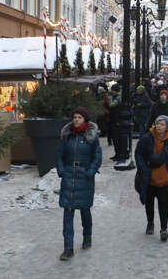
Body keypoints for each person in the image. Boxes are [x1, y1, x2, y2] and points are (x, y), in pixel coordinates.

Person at [56, 107, 102, 261]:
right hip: (69, 176)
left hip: (84, 177)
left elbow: (97, 156)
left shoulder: (91, 137)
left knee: (84, 209)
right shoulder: (66, 136)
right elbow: (59, 154)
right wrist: (61, 170)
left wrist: (90, 172)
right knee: (67, 212)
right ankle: (68, 248)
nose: (76, 120)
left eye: (79, 117)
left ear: (85, 120)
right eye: (74, 117)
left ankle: (87, 235)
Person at [134, 115, 168, 242]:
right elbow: (138, 154)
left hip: (165, 180)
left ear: (167, 127)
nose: (159, 126)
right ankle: (150, 223)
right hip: (149, 179)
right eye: (157, 124)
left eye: (162, 124)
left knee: (163, 205)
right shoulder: (146, 138)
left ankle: (164, 229)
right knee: (149, 204)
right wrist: (142, 167)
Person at [108, 84, 124, 161]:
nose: (111, 91)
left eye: (112, 90)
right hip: (114, 119)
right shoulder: (116, 96)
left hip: (117, 120)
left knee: (117, 139)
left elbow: (111, 105)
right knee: (115, 139)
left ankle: (119, 154)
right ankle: (117, 154)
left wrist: (110, 98)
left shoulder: (118, 98)